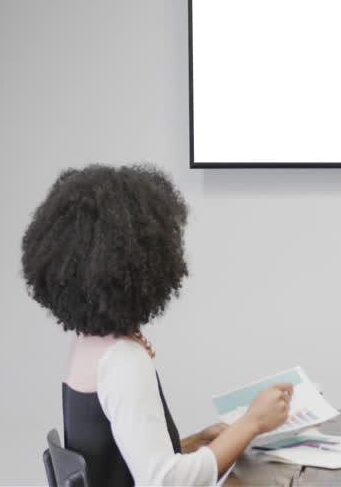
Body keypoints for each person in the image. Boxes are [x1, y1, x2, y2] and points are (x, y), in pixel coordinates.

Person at [22, 164, 291, 485]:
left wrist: (190, 445)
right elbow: (164, 481)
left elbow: (113, 462)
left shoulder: (87, 346)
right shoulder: (122, 359)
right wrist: (253, 422)